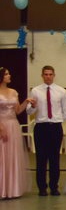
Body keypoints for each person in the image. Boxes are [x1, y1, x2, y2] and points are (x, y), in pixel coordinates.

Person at [27, 65, 66, 197]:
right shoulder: (35, 91)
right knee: (41, 158)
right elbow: (29, 111)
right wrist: (33, 107)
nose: (48, 77)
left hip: (55, 127)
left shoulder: (61, 91)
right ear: (42, 76)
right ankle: (42, 187)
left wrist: (57, 120)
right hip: (41, 127)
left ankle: (54, 187)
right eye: (45, 74)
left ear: (54, 75)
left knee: (54, 158)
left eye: (50, 74)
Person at [0, 67, 31, 200]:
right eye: (6, 74)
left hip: (13, 125)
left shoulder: (13, 92)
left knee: (12, 156)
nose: (9, 76)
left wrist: (26, 102)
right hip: (1, 124)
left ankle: (12, 188)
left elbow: (17, 110)